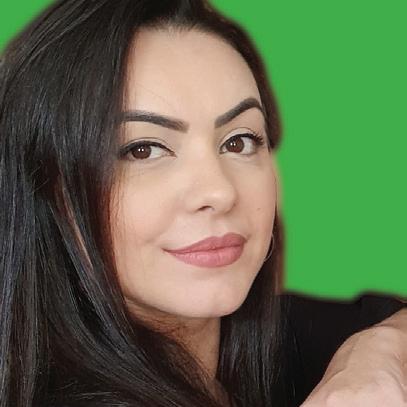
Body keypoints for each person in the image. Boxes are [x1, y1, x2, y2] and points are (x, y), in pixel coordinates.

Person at [0, 1, 405, 406]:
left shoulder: (290, 345)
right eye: (143, 149)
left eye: (239, 142)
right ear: (50, 185)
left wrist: (376, 352)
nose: (219, 192)